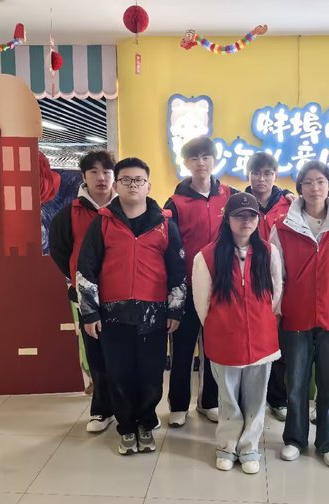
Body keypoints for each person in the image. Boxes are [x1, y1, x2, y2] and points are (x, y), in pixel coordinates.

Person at [76, 157, 186, 455]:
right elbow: (86, 269)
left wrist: (175, 310)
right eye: (125, 180)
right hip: (113, 315)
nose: (133, 185)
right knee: (119, 373)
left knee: (151, 374)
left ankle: (146, 423)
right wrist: (89, 312)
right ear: (117, 185)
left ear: (148, 185)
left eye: (139, 180)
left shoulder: (165, 224)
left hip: (154, 314)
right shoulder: (102, 222)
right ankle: (126, 427)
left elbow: (178, 271)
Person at [270, 160, 329, 469]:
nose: (315, 188)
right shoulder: (282, 226)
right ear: (300, 187)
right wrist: (275, 312)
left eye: (321, 181)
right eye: (308, 182)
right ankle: (294, 439)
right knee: (296, 381)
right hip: (296, 315)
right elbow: (276, 276)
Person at [192, 192, 283, 474]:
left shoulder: (269, 252)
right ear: (227, 219)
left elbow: (275, 294)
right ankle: (227, 446)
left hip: (262, 339)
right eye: (239, 216)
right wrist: (222, 326)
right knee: (228, 399)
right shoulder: (207, 256)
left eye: (251, 215)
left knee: (256, 398)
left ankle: (249, 447)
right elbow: (202, 303)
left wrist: (257, 320)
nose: (246, 221)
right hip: (224, 340)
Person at [164, 136, 237, 427]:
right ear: (186, 163)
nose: (201, 163)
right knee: (182, 349)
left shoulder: (230, 196)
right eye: (194, 158)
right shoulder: (176, 202)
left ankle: (209, 402)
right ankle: (179, 404)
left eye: (206, 157)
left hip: (220, 287)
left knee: (214, 349)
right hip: (186, 288)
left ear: (214, 160)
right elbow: (169, 247)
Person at [49, 150, 116, 433]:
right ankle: (102, 411)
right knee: (96, 355)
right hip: (88, 299)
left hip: (122, 295)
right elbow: (60, 251)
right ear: (84, 177)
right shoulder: (70, 213)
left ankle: (128, 409)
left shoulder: (127, 208)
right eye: (94, 172)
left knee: (124, 356)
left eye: (106, 172)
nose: (101, 178)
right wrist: (81, 278)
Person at [244, 152, 291, 422]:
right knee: (250, 340)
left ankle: (278, 398)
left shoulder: (289, 204)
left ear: (275, 176)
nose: (261, 179)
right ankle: (249, 399)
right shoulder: (239, 202)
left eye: (267, 174)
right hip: (247, 281)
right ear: (248, 175)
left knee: (278, 342)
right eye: (256, 173)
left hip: (282, 281)